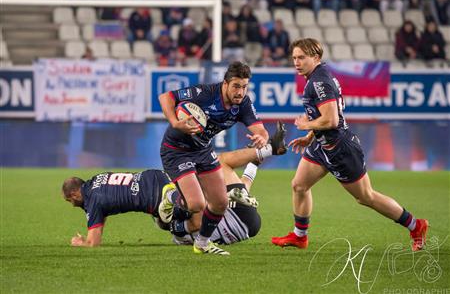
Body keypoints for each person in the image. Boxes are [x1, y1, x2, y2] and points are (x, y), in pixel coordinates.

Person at [271, 38, 429, 252]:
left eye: (301, 58)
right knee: (299, 185)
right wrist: (310, 135)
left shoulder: (319, 82)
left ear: (316, 58)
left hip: (340, 149)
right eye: (294, 58)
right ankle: (300, 236)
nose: (296, 62)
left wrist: (306, 125)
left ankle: (415, 225)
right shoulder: (317, 78)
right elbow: (324, 116)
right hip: (321, 145)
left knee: (366, 197)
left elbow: (332, 120)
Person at [61, 121, 287, 248]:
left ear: (74, 194)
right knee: (218, 169)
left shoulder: (92, 200)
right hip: (159, 179)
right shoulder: (99, 180)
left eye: (69, 200)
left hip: (245, 224)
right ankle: (264, 152)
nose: (71, 204)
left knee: (195, 212)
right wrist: (253, 166)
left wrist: (78, 242)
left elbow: (93, 242)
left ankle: (257, 161)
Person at [158, 61, 271, 255]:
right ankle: (170, 196)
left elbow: (260, 129)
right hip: (177, 149)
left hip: (202, 150)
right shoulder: (205, 93)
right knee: (197, 204)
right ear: (225, 84)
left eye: (244, 87)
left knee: (220, 203)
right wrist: (175, 123)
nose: (240, 92)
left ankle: (202, 243)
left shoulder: (243, 104)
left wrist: (262, 137)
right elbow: (166, 97)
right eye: (236, 86)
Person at [162, 121, 288, 245]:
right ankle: (270, 149)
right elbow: (196, 222)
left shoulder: (181, 225)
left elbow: (242, 186)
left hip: (248, 223)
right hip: (239, 220)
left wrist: (254, 164)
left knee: (222, 183)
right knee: (220, 163)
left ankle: (266, 151)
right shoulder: (184, 226)